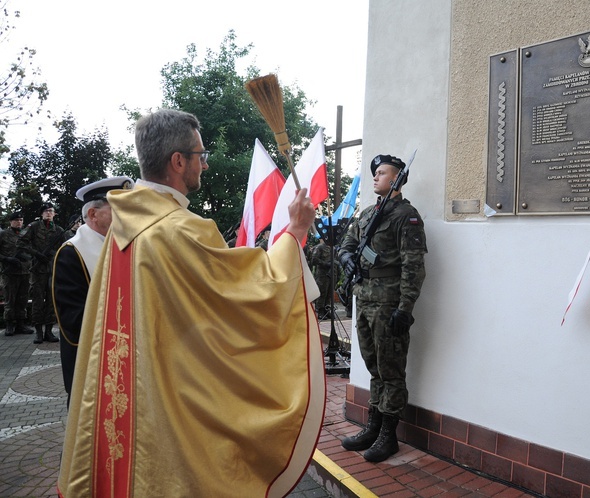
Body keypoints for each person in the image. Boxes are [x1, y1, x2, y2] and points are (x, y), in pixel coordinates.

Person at [57, 109, 325, 498]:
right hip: (170, 398)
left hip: (134, 391)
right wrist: (295, 231)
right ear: (178, 161)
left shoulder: (123, 230)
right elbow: (252, 295)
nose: (204, 162)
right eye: (201, 154)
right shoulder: (179, 230)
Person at [338, 153, 427, 462]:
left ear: (398, 179)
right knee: (373, 365)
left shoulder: (406, 216)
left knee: (391, 369)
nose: (375, 177)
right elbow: (346, 246)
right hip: (364, 299)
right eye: (375, 172)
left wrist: (405, 307)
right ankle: (372, 427)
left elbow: (413, 267)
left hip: (389, 302)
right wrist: (347, 259)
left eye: (383, 173)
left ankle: (389, 436)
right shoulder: (366, 215)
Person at [52, 176, 134, 408]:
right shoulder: (72, 252)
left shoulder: (125, 245)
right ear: (93, 214)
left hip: (126, 357)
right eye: (117, 208)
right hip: (90, 362)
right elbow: (72, 321)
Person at [19, 202, 63, 343]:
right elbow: (20, 243)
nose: (48, 213)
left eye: (51, 211)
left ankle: (49, 331)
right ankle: (38, 332)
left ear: (54, 214)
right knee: (37, 300)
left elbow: (65, 249)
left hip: (52, 269)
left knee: (51, 300)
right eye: (46, 211)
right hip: (38, 270)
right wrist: (36, 254)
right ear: (41, 213)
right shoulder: (34, 226)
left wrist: (53, 253)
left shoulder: (59, 230)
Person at [0, 211, 33, 336]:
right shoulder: (3, 234)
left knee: (23, 299)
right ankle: (9, 324)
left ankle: (21, 324)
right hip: (9, 273)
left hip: (25, 272)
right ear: (11, 221)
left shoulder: (25, 234)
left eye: (21, 220)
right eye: (16, 220)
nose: (19, 222)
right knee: (10, 299)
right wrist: (6, 259)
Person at [310, 237, 334, 318]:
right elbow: (314, 260)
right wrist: (325, 264)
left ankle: (327, 310)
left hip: (331, 273)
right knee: (322, 292)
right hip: (322, 274)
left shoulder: (333, 247)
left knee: (329, 293)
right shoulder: (319, 247)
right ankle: (320, 311)